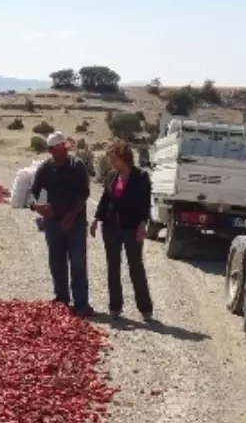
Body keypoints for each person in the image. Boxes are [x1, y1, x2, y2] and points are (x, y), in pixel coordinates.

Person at [29, 132, 93, 316]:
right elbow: (33, 192)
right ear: (51, 151)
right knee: (56, 262)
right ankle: (62, 298)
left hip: (76, 223)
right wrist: (36, 206)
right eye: (59, 149)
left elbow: (84, 194)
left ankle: (81, 303)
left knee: (78, 262)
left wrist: (72, 215)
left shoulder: (77, 165)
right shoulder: (45, 169)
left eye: (65, 148)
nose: (64, 151)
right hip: (53, 223)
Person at [90, 141, 154, 320]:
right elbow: (105, 199)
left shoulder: (141, 177)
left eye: (113, 158)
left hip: (132, 228)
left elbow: (145, 204)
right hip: (111, 227)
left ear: (122, 158)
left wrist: (143, 225)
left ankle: (145, 308)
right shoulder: (111, 175)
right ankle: (115, 307)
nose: (111, 162)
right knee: (113, 267)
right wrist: (96, 219)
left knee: (136, 267)